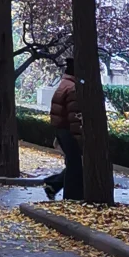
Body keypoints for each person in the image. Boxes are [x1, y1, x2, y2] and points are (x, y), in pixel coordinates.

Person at [44, 61, 84, 200]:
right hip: (68, 131)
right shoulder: (73, 88)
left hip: (61, 130)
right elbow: (74, 117)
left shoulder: (64, 84)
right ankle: (71, 197)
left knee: (74, 163)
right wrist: (79, 138)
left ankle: (53, 185)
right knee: (76, 165)